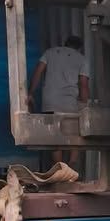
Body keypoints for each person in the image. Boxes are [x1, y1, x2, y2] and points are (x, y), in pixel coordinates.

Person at [27, 35, 90, 165]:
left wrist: (30, 92)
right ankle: (71, 165)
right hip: (70, 103)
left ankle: (59, 167)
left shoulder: (50, 52)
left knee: (55, 134)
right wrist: (85, 104)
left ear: (65, 44)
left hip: (50, 101)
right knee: (74, 133)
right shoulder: (82, 59)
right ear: (79, 48)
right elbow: (83, 84)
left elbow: (38, 71)